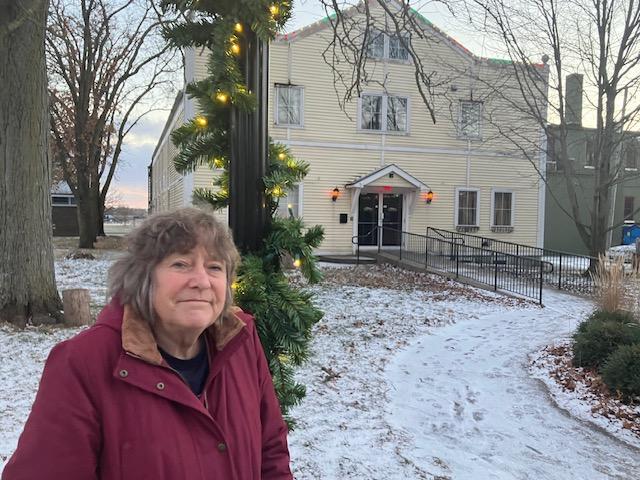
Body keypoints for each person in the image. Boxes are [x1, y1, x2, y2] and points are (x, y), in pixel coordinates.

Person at [3, 208, 292, 480]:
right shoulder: (83, 363)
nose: (202, 281)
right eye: (181, 263)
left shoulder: (240, 341)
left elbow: (272, 453)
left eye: (215, 267)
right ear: (142, 278)